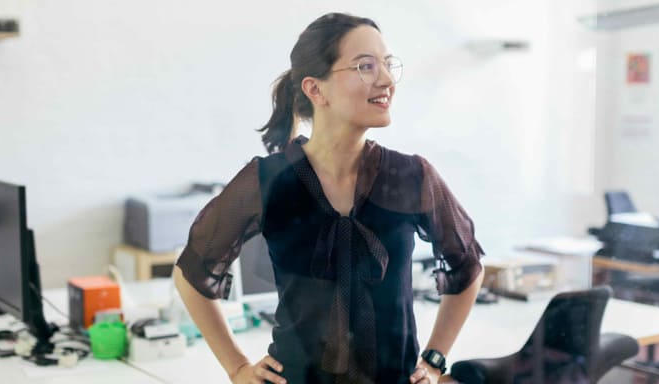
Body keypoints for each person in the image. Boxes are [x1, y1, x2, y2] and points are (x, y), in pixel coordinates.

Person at [173, 12, 485, 384]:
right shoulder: (266, 179)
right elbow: (190, 275)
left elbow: (467, 266)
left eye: (387, 64)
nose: (385, 80)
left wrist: (434, 359)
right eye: (365, 66)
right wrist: (237, 367)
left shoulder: (412, 176)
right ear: (315, 89)